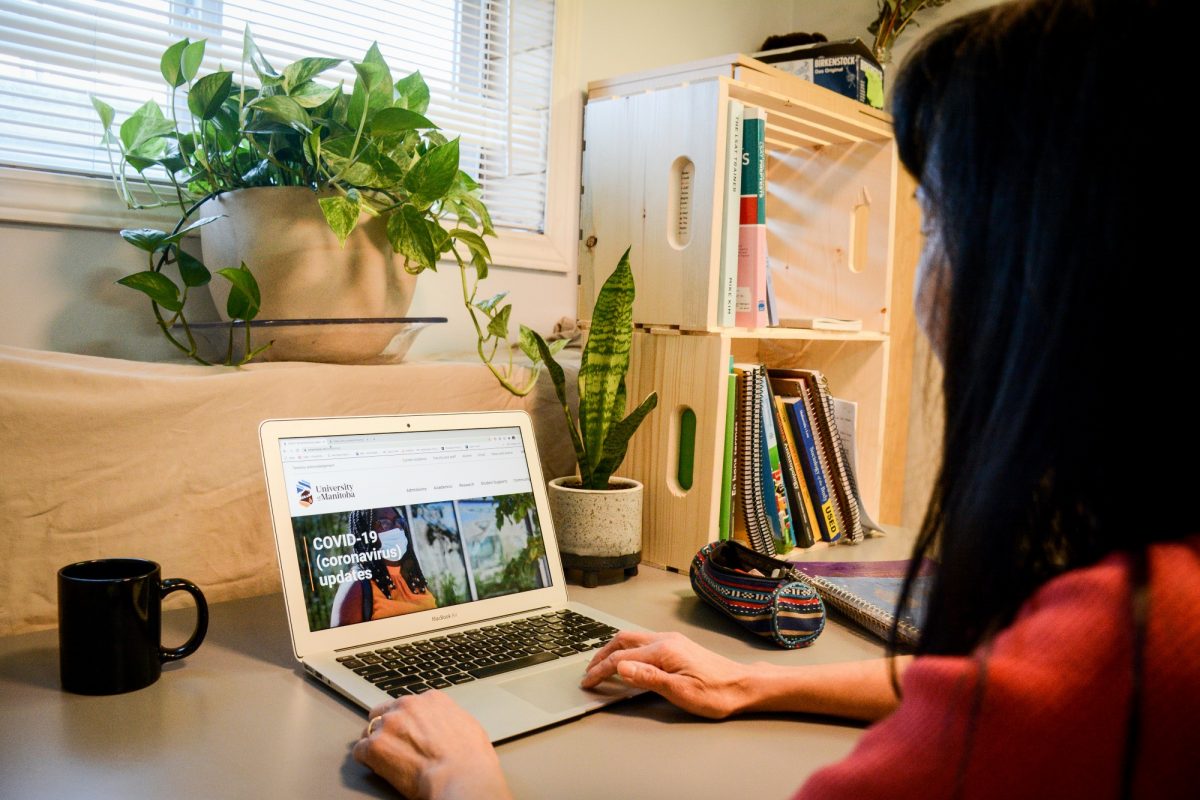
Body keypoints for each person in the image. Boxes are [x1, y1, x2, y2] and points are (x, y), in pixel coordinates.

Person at [351, 0, 1198, 796]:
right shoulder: (1150, 598)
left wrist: (461, 778)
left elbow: (1027, 692)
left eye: (934, 223)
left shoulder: (1135, 636)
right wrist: (753, 678)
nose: (917, 275)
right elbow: (1000, 686)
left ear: (1043, 270)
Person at [331, 507, 437, 626]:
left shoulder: (413, 579)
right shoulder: (357, 585)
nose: (397, 527)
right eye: (384, 523)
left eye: (399, 521)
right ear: (366, 533)